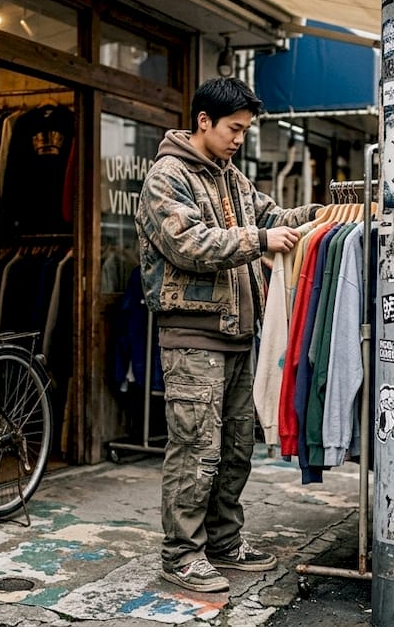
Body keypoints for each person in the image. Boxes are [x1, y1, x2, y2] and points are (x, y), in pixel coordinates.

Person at [135, 77, 322, 593]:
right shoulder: (165, 177)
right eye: (234, 129)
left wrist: (325, 216)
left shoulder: (233, 180)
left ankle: (222, 542)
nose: (240, 138)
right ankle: (181, 555)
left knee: (237, 446)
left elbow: (275, 216)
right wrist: (259, 239)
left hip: (239, 333)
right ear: (203, 121)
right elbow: (187, 243)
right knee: (196, 449)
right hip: (192, 336)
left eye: (244, 130)